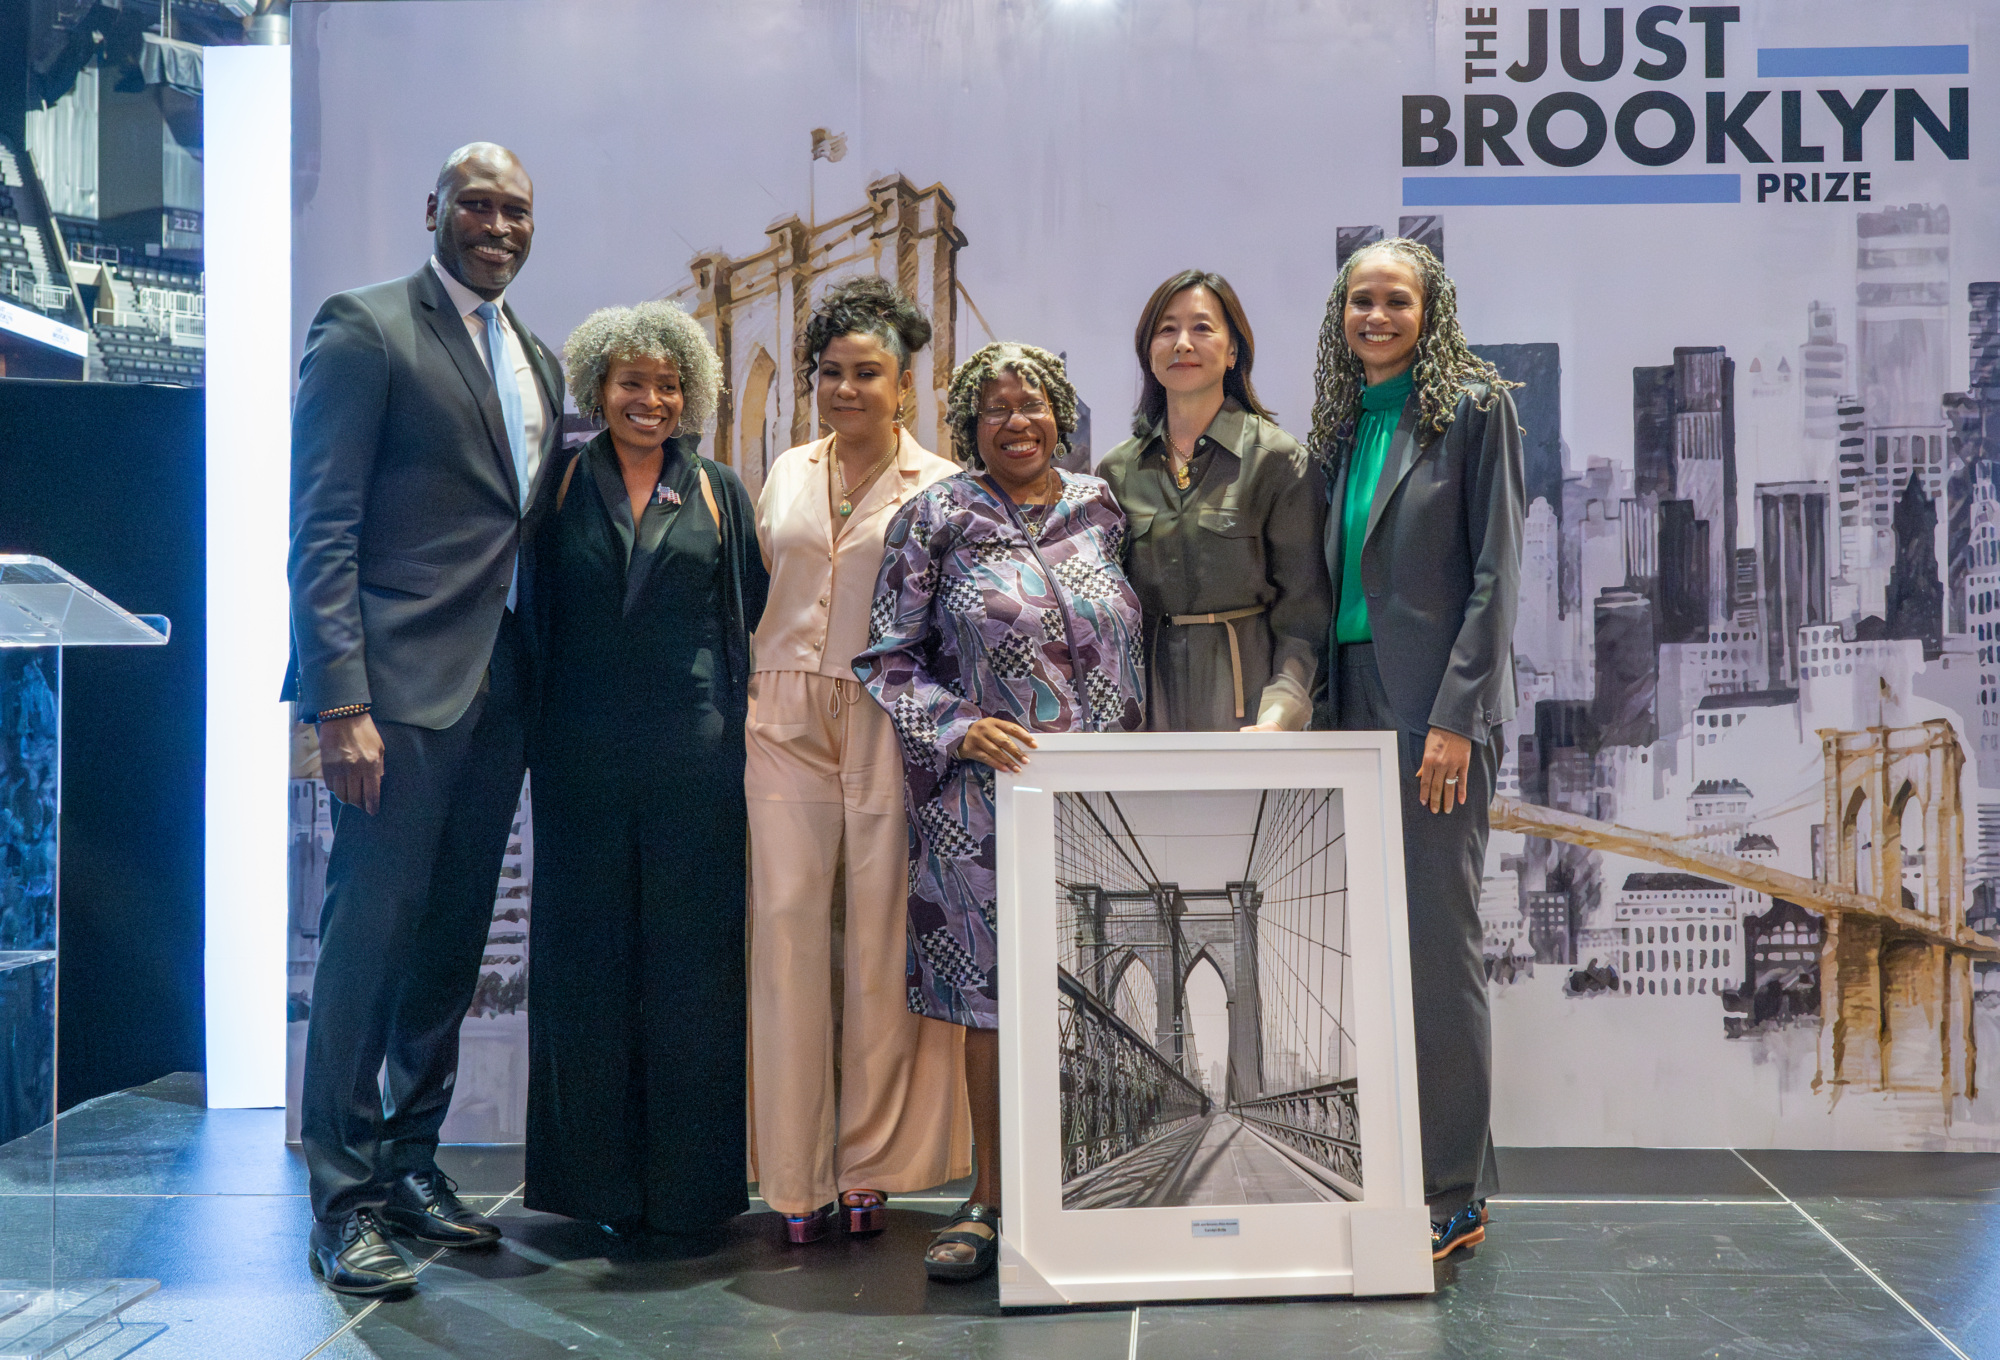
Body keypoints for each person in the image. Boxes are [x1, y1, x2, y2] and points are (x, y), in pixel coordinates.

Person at [288, 143, 564, 1296]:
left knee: (450, 939)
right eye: (479, 204)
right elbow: (323, 525)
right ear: (435, 210)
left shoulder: (536, 356)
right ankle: (344, 1199)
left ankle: (412, 1164)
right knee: (367, 942)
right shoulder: (366, 326)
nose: (497, 224)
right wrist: (338, 698)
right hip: (393, 696)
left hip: (500, 686)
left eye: (516, 209)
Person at [855, 342, 1145, 1282]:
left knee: (1096, 995)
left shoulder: (1101, 507)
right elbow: (888, 660)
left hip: (1097, 799)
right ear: (969, 427)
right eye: (994, 410)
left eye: (1033, 405)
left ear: (1062, 412)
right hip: (978, 800)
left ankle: (1092, 1187)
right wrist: (958, 726)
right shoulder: (934, 515)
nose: (1016, 422)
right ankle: (990, 1196)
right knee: (991, 1002)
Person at [524, 300, 768, 1256]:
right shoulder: (554, 487)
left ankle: (691, 1192)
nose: (652, 400)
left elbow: (740, 615)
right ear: (598, 389)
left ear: (691, 395)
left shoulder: (717, 491)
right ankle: (590, 1184)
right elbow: (533, 618)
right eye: (633, 382)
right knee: (585, 967)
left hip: (694, 759)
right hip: (578, 755)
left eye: (670, 385)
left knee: (693, 973)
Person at [1309, 238, 1524, 1262]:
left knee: (1436, 953)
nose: (1375, 317)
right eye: (1360, 301)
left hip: (1428, 708)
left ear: (1429, 310)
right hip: (1341, 699)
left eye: (1395, 300)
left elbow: (1495, 572)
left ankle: (1454, 1188)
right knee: (1355, 950)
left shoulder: (1473, 406)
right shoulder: (1340, 419)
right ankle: (1380, 1165)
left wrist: (1456, 717)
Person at [746, 277, 970, 1245]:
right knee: (786, 930)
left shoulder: (945, 484)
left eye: (866, 372)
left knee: (881, 937)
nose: (845, 388)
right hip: (782, 710)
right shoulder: (784, 469)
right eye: (829, 371)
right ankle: (792, 1176)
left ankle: (869, 1162)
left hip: (887, 711)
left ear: (905, 384)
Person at [1098, 270, 1329, 731]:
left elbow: (1303, 619)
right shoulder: (1116, 471)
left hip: (1249, 711)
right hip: (1146, 713)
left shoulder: (1279, 461)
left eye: (1202, 328)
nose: (1183, 343)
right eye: (1167, 329)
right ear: (1149, 351)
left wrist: (1279, 716)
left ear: (1232, 351)